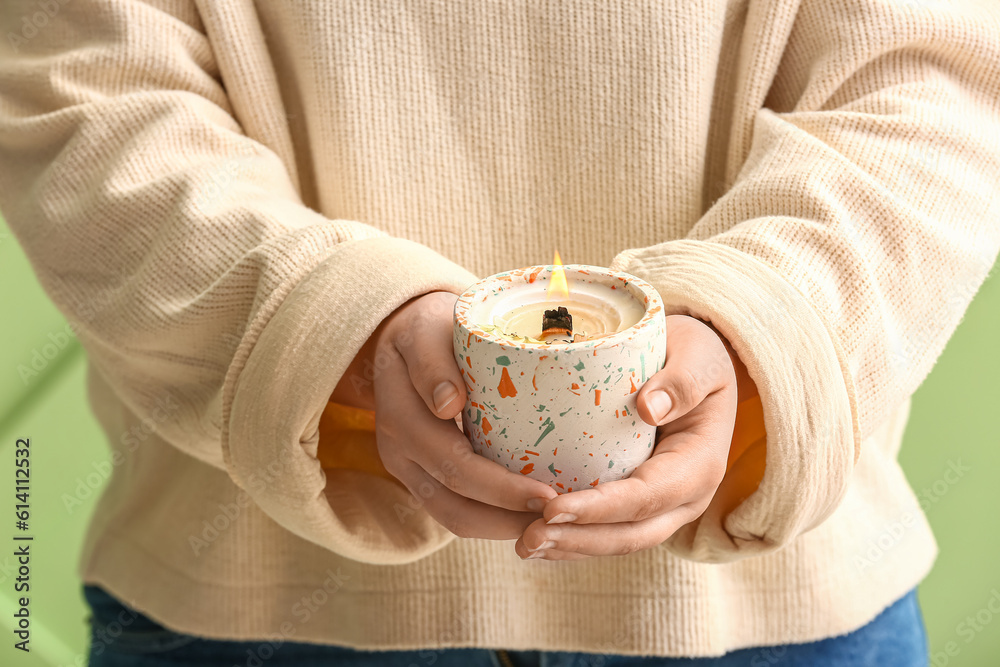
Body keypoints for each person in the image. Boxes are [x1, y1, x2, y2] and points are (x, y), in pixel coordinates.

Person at [1, 0, 998, 665]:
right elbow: (81, 86)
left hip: (770, 610)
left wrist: (767, 324)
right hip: (256, 608)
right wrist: (326, 318)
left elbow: (931, 81)